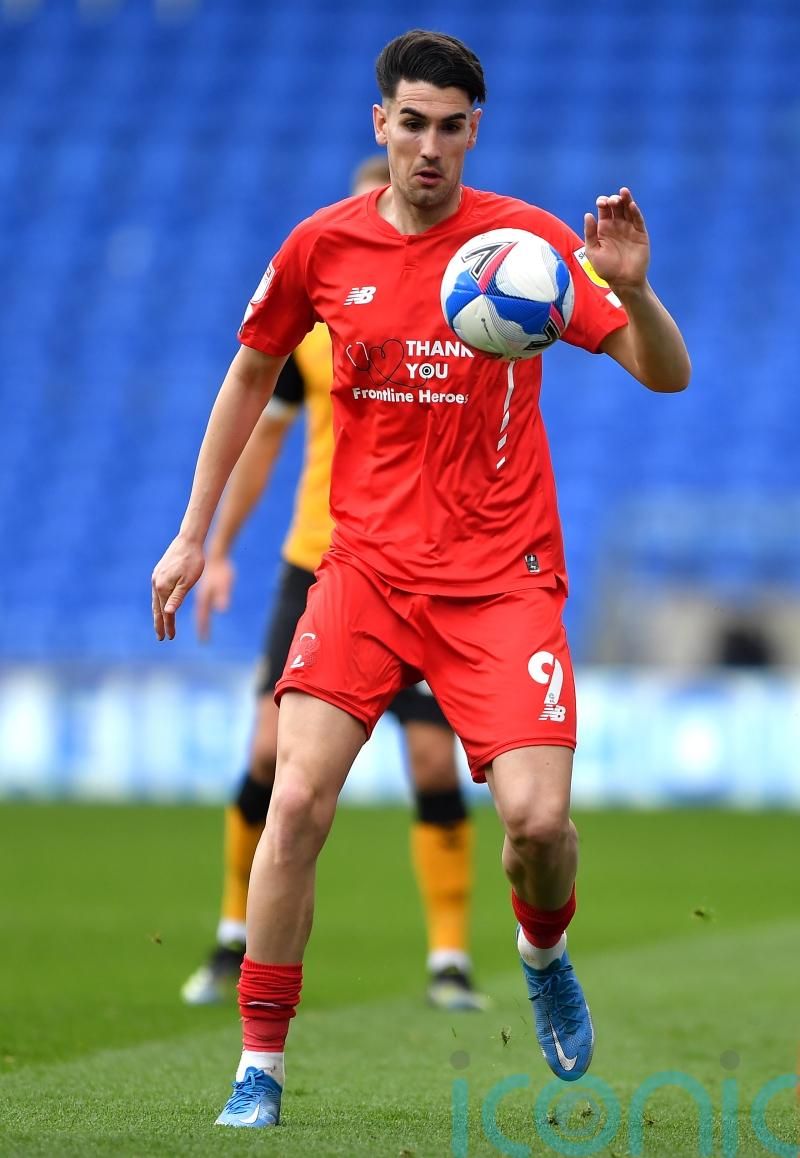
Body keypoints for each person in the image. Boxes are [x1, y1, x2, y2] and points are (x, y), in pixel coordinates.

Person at [151, 29, 690, 1129]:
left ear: (471, 131)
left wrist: (633, 292)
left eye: (450, 127)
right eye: (411, 124)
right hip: (363, 575)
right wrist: (192, 531)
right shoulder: (322, 247)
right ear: (379, 126)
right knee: (296, 800)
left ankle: (542, 954)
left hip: (502, 582)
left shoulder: (526, 248)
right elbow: (251, 371)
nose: (429, 147)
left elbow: (662, 377)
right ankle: (260, 1064)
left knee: (537, 828)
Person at [180, 156, 487, 1015]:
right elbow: (264, 438)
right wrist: (221, 546)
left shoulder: (457, 316)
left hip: (426, 567)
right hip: (320, 559)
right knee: (271, 757)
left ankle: (450, 960)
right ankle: (234, 933)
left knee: (433, 759)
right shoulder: (312, 324)